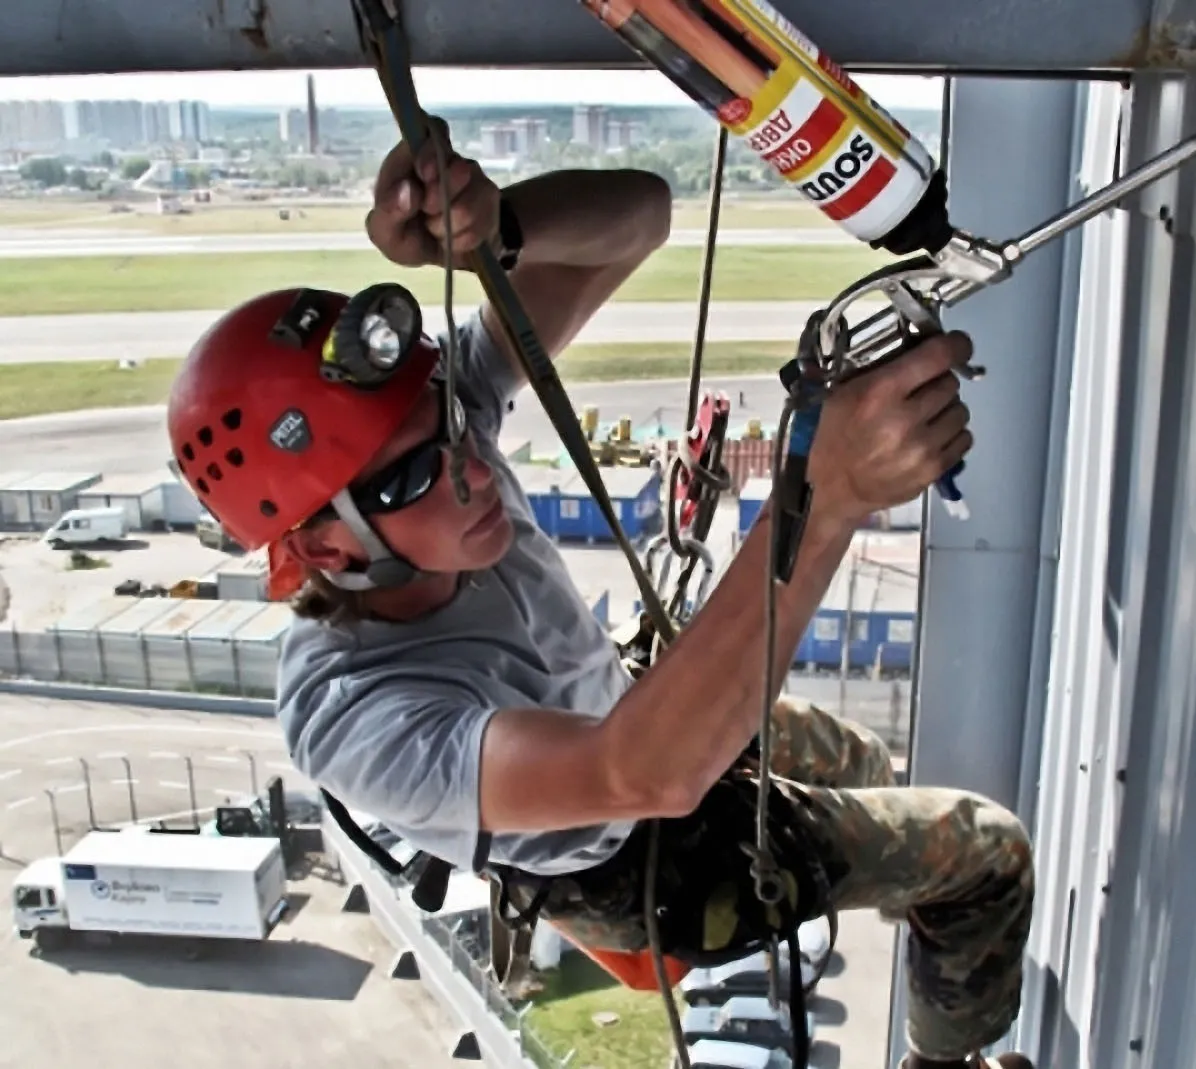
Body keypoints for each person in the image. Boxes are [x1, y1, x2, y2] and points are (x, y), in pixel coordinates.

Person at [165, 129, 1035, 1069]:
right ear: (326, 546)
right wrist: (822, 502)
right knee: (988, 854)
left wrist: (497, 231)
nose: (472, 468)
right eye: (418, 473)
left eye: (454, 420)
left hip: (626, 707)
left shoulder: (428, 431)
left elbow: (640, 217)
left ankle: (914, 909)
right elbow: (643, 775)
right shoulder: (358, 718)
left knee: (865, 761)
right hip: (626, 858)